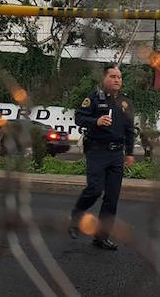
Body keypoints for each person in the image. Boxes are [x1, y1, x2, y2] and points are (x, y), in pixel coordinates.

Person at [68, 64, 135, 250]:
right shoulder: (94, 98)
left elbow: (130, 130)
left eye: (119, 77)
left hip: (116, 154)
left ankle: (101, 236)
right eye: (113, 76)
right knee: (95, 189)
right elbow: (79, 118)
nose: (117, 80)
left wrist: (129, 152)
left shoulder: (126, 102)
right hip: (97, 151)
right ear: (105, 79)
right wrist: (95, 121)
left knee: (112, 198)